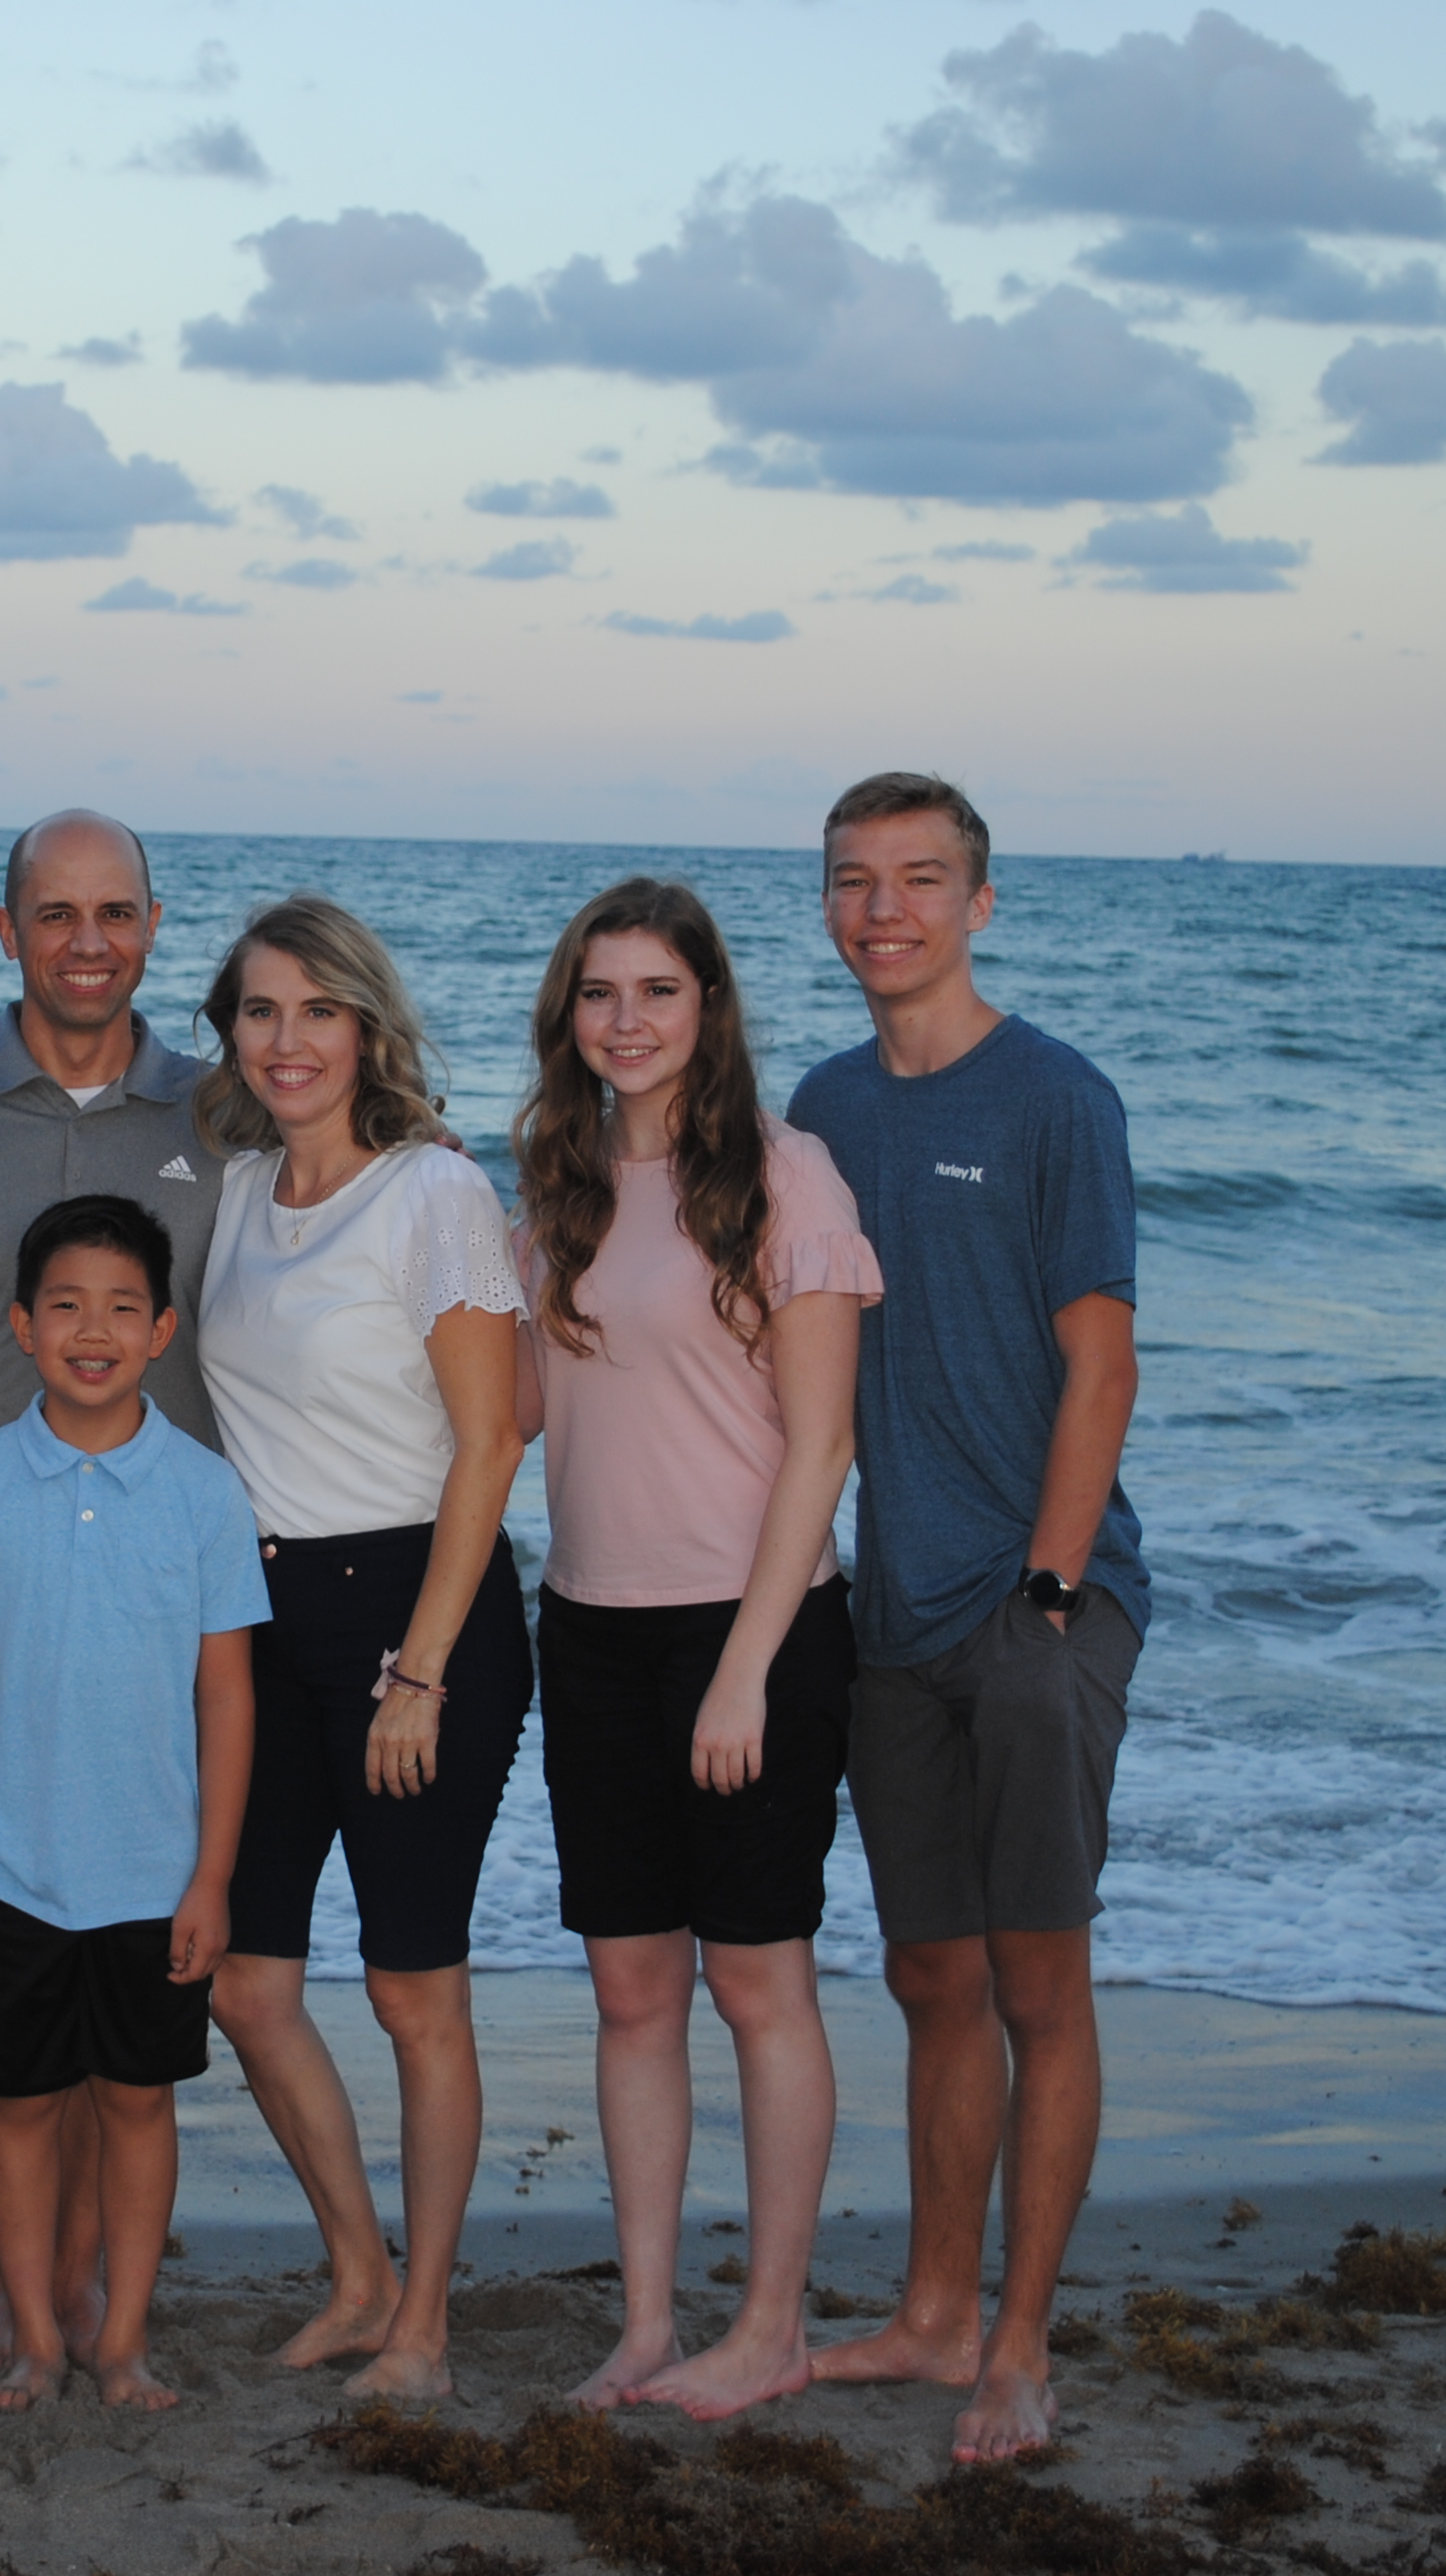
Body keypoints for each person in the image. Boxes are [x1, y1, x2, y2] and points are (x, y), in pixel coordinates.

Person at [784, 772, 1147, 2464]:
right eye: (855, 882)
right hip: (888, 1617)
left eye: (920, 880)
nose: (885, 911)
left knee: (1036, 1983)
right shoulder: (820, 1107)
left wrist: (1052, 1592)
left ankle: (1017, 2345)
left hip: (1032, 1604)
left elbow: (1099, 1357)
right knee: (930, 1971)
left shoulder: (1056, 1096)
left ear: (979, 901)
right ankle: (930, 2314)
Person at [511, 877, 877, 2421]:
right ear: (569, 1017)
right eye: (601, 995)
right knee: (632, 1992)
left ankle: (773, 2325)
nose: (629, 1021)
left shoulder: (783, 1176)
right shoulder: (559, 1182)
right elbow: (522, 1416)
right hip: (587, 1630)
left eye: (659, 991)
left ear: (709, 1007)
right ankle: (652, 2323)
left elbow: (823, 1447)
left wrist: (745, 1667)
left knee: (759, 1984)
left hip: (755, 1634)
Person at [0, 806, 227, 2366]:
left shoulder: (229, 1109)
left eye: (120, 912)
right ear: (4, 926)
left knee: (133, 1982)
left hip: (166, 1582)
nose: (90, 941)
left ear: (156, 925)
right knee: (7, 1952)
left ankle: (97, 2288)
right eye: (57, 912)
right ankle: (30, 2291)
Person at [194, 893, 532, 2401]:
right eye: (261, 1011)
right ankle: (357, 2275)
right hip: (265, 1625)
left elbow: (488, 1449)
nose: (288, 1040)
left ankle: (430, 2326)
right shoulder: (244, 1189)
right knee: (246, 1984)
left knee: (412, 1990)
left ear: (367, 1027)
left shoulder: (433, 1195)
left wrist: (422, 1669)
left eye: (317, 1010)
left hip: (416, 1612)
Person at [0, 1195, 264, 2414]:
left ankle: (121, 2345)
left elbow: (226, 1696)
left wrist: (212, 1877)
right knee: (16, 2109)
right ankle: (36, 2344)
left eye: (121, 1307)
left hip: (154, 1875)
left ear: (163, 1330)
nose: (91, 1330)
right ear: (20, 1325)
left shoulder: (207, 1493)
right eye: (64, 1306)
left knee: (136, 2104)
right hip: (8, 1871)